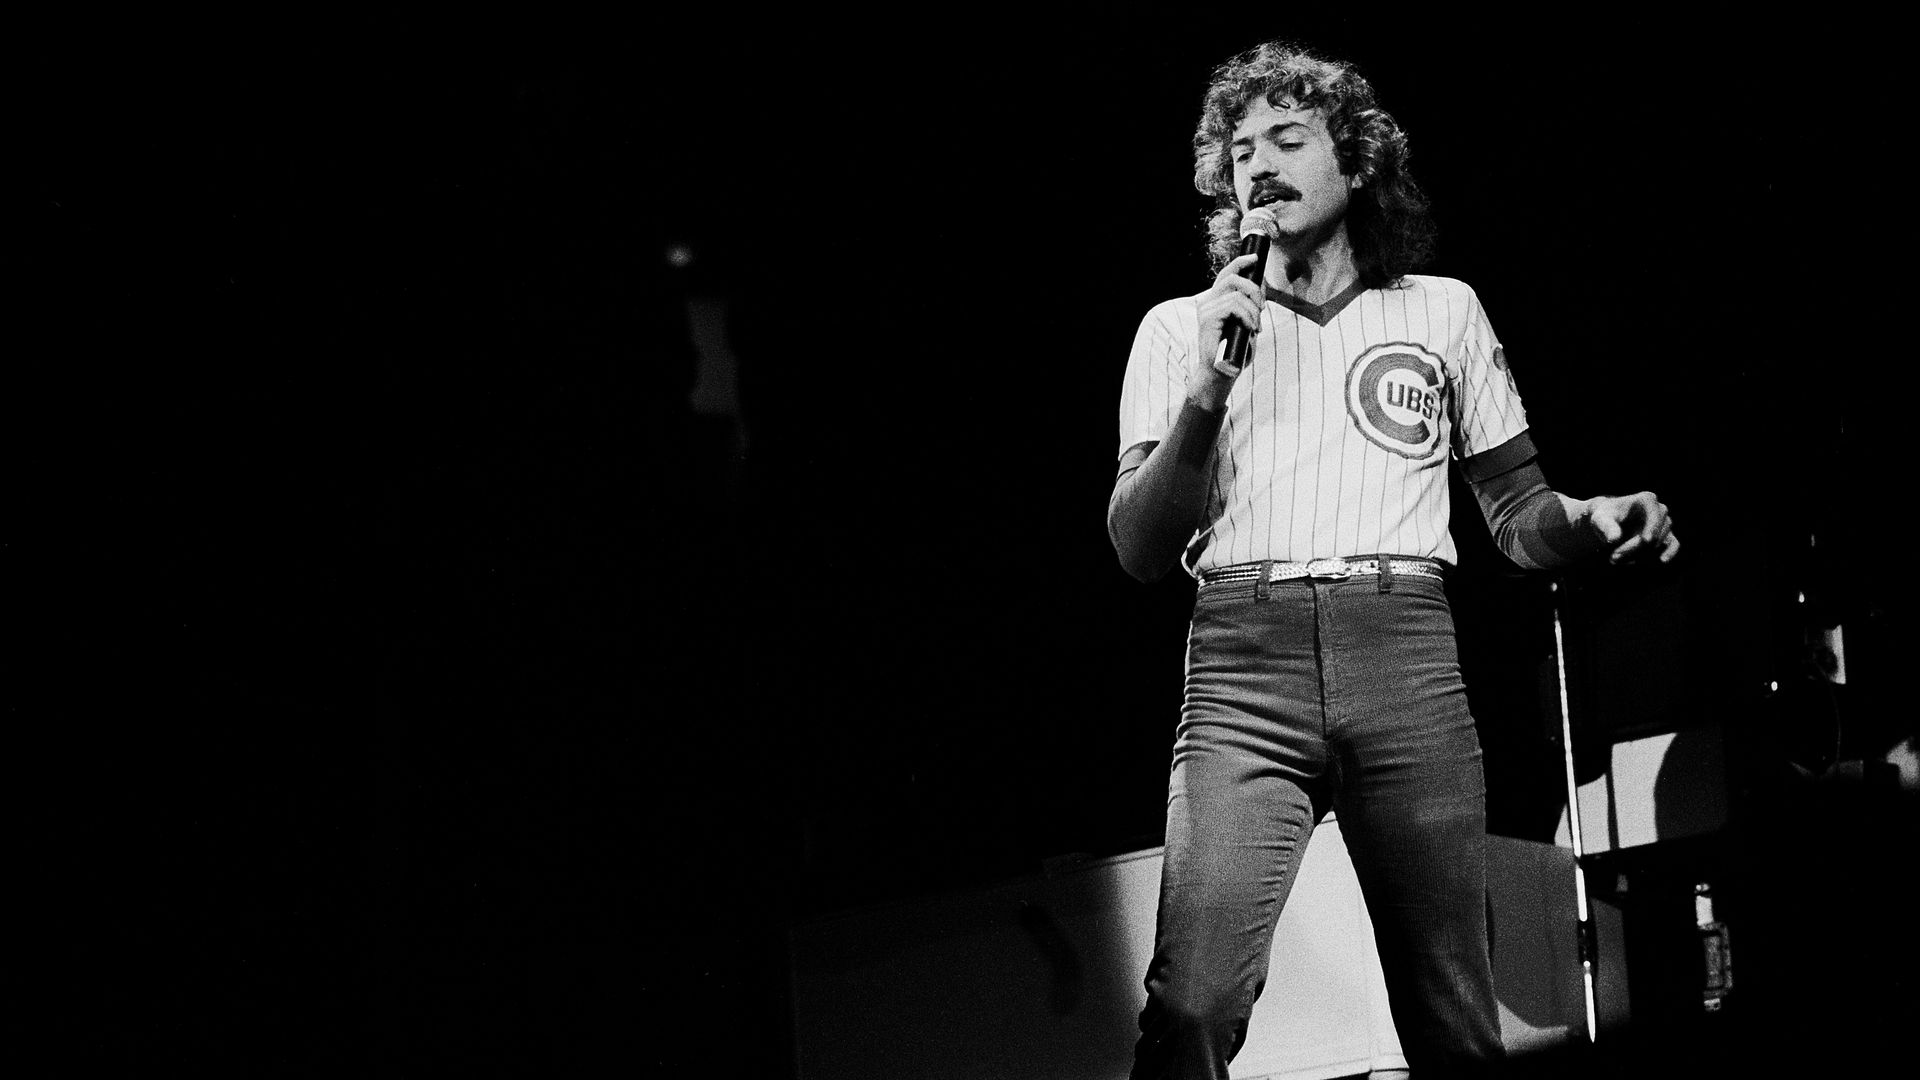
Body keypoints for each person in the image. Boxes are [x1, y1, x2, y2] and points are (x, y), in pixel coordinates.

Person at [1108, 41, 1678, 1079]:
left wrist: (1586, 520)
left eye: (1288, 139)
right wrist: (1206, 391)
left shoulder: (1441, 311)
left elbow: (1515, 513)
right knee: (1191, 999)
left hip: (1405, 653)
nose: (1259, 166)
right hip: (1244, 666)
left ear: (1358, 162)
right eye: (1240, 151)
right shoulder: (1179, 330)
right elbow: (1141, 548)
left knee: (1450, 1011)